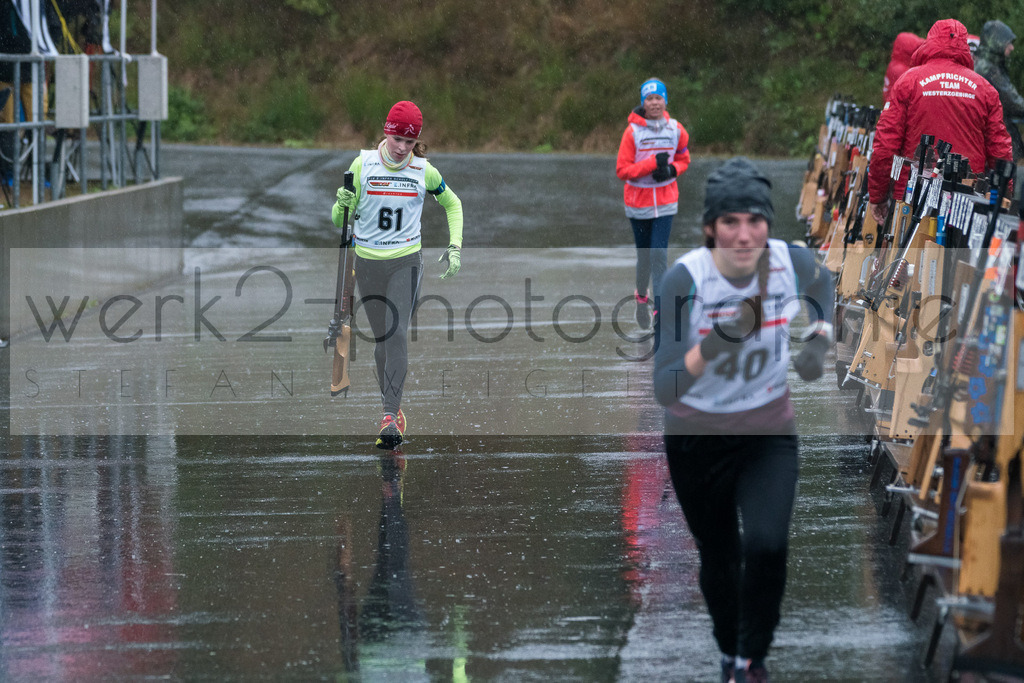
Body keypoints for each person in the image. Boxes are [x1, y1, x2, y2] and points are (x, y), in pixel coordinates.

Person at [653, 157, 834, 682]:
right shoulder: (685, 279)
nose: (744, 234)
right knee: (720, 554)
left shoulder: (789, 261)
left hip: (766, 431)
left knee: (767, 543)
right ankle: (730, 653)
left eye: (755, 220)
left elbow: (823, 290)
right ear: (710, 228)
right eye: (730, 222)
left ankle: (753, 659)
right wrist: (717, 341)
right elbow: (666, 386)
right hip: (696, 436)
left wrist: (818, 343)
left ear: (768, 226)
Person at [332, 101, 464, 449]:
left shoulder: (424, 171)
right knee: (382, 340)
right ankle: (392, 410)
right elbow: (337, 220)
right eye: (397, 139)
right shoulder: (363, 164)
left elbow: (453, 203)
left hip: (405, 261)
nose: (402, 148)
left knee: (396, 332)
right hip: (368, 262)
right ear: (386, 131)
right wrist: (342, 203)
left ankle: (389, 416)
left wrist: (455, 246)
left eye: (410, 142)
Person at [868, 18, 1013, 225]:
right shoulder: (985, 88)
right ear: (965, 46)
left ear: (930, 41)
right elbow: (1000, 152)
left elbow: (885, 146)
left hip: (912, 199)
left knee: (907, 256)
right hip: (967, 201)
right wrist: (1004, 199)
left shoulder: (908, 82)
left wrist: (878, 195)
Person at [616, 77, 691, 329]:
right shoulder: (632, 132)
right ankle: (641, 298)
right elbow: (622, 170)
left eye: (658, 98)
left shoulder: (676, 129)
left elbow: (684, 159)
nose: (654, 103)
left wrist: (671, 171)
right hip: (638, 204)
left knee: (659, 255)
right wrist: (651, 164)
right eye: (649, 99)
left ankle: (660, 312)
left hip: (667, 202)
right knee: (645, 258)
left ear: (665, 100)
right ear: (643, 103)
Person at [973, 19, 1024, 161]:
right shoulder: (989, 69)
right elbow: (1012, 102)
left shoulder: (983, 63)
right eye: (1009, 43)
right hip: (995, 140)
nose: (1012, 48)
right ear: (997, 43)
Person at [882, 32, 924, 102]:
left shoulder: (897, 64)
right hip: (895, 107)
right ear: (907, 51)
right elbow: (912, 90)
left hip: (893, 106)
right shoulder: (899, 69)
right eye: (915, 49)